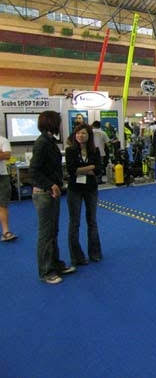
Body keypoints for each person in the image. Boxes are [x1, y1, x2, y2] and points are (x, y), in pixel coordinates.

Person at [30, 111, 76, 284]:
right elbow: (34, 171)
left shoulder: (49, 141)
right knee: (46, 234)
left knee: (53, 231)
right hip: (44, 193)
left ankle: (55, 264)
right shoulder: (42, 143)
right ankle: (46, 271)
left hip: (52, 192)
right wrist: (50, 185)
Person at [66, 124, 103, 265]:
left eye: (84, 133)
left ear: (89, 136)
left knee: (92, 221)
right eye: (78, 133)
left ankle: (95, 253)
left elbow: (98, 169)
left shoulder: (95, 150)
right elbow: (71, 170)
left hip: (91, 188)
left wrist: (81, 169)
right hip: (74, 189)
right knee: (74, 222)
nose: (80, 136)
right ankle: (77, 257)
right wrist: (90, 167)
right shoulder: (70, 151)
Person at [0, 135, 17, 242]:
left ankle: (6, 232)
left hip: (2, 176)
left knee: (2, 204)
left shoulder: (3, 140)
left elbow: (7, 155)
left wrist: (3, 154)